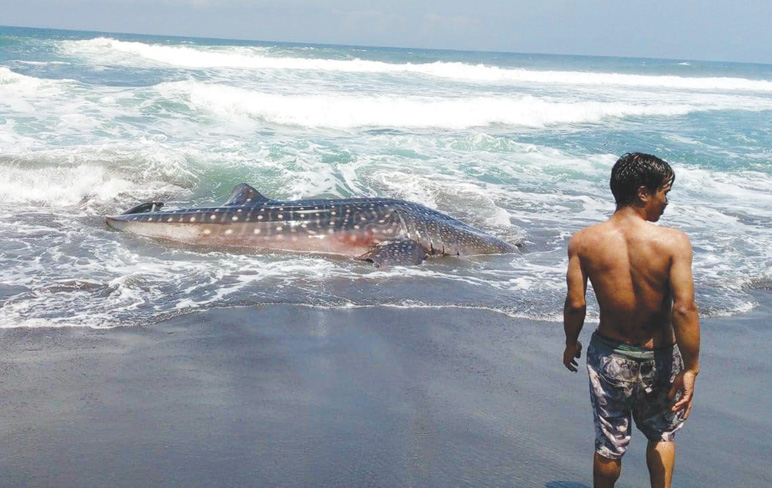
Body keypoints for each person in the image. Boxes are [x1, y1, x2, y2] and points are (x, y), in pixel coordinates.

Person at [562, 152, 700, 488]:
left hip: (610, 355)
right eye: (663, 193)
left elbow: (576, 303)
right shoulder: (673, 241)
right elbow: (684, 308)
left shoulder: (584, 241)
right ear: (643, 192)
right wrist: (691, 368)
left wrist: (570, 342)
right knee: (662, 434)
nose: (665, 202)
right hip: (661, 356)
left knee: (610, 444)